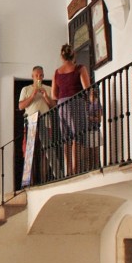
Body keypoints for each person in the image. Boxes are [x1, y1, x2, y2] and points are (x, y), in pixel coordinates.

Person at [52, 44, 91, 174]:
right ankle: (75, 168)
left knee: (66, 138)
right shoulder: (79, 68)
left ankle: (67, 170)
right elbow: (87, 88)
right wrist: (90, 100)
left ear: (61, 57)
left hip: (61, 105)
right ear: (73, 55)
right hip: (76, 102)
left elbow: (54, 95)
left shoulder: (57, 72)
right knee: (77, 136)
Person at [17, 66, 55, 184]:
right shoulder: (26, 89)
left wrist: (45, 96)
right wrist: (33, 95)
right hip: (30, 125)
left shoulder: (48, 89)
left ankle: (44, 180)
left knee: (45, 152)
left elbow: (54, 106)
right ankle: (30, 182)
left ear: (43, 76)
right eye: (36, 75)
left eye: (41, 75)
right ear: (32, 76)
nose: (39, 77)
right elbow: (21, 106)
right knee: (29, 152)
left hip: (46, 123)